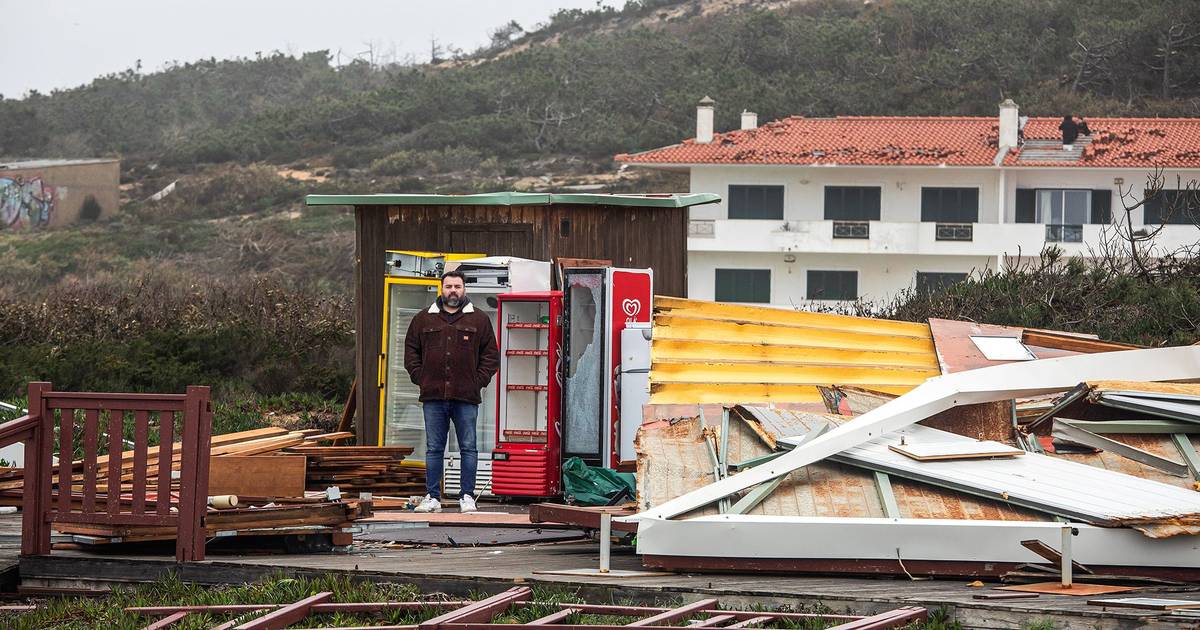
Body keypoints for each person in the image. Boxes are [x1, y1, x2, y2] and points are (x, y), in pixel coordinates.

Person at [403, 270, 499, 513]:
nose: (453, 291)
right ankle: (432, 497)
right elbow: (411, 352)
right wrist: (421, 378)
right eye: (448, 286)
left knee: (469, 447)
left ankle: (467, 496)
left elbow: (491, 356)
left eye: (457, 286)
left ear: (464, 289)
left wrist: (478, 381)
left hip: (466, 396)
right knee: (434, 447)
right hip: (433, 395)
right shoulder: (423, 319)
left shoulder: (478, 319)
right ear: (441, 289)